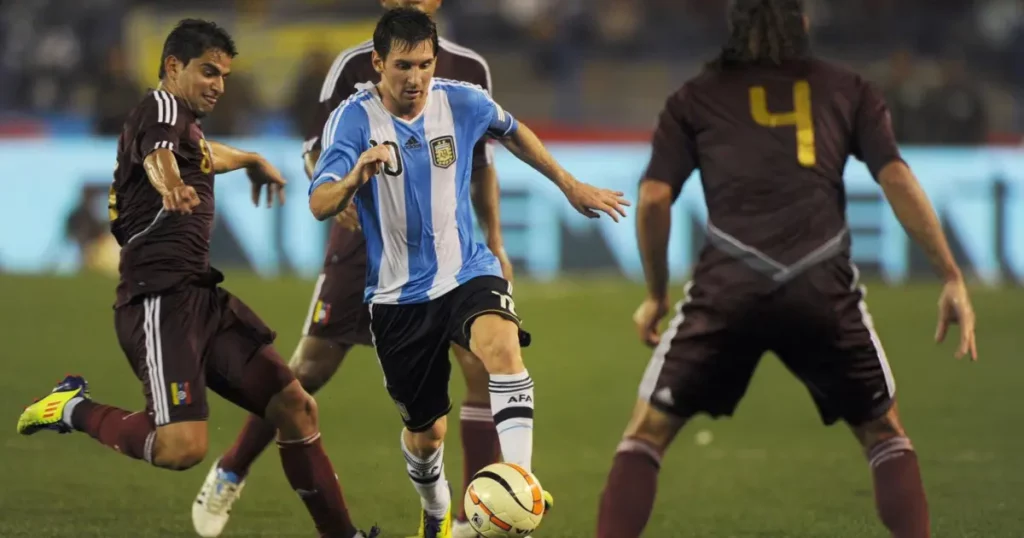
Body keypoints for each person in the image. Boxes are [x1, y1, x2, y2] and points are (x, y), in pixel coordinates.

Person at [594, 2, 978, 538]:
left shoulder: (695, 97)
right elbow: (896, 178)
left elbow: (655, 198)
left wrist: (656, 294)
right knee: (884, 432)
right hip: (821, 286)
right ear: (801, 23)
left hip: (727, 287)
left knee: (646, 433)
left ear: (734, 28)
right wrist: (951, 275)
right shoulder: (849, 88)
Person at [14, 19, 379, 538]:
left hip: (201, 298)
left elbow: (200, 155)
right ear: (172, 67)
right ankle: (71, 408)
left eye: (224, 76)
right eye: (208, 72)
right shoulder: (160, 109)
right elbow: (160, 157)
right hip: (158, 302)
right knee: (181, 448)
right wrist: (169, 186)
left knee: (295, 407)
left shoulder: (184, 124)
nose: (218, 85)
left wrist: (249, 159)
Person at [191, 2, 514, 537]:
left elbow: (482, 167)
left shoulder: (470, 69)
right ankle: (231, 468)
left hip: (448, 249)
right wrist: (335, 184)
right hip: (364, 240)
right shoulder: (352, 66)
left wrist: (496, 242)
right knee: (311, 368)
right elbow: (314, 153)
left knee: (480, 365)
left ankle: (469, 519)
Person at [309, 8, 629, 538]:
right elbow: (319, 202)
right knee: (425, 434)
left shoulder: (461, 99)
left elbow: (514, 131)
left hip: (466, 271)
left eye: (425, 65)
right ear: (377, 63)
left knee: (502, 350)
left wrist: (569, 184)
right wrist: (352, 178)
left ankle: (520, 485)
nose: (415, 79)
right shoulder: (352, 119)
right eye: (404, 66)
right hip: (396, 298)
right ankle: (436, 514)